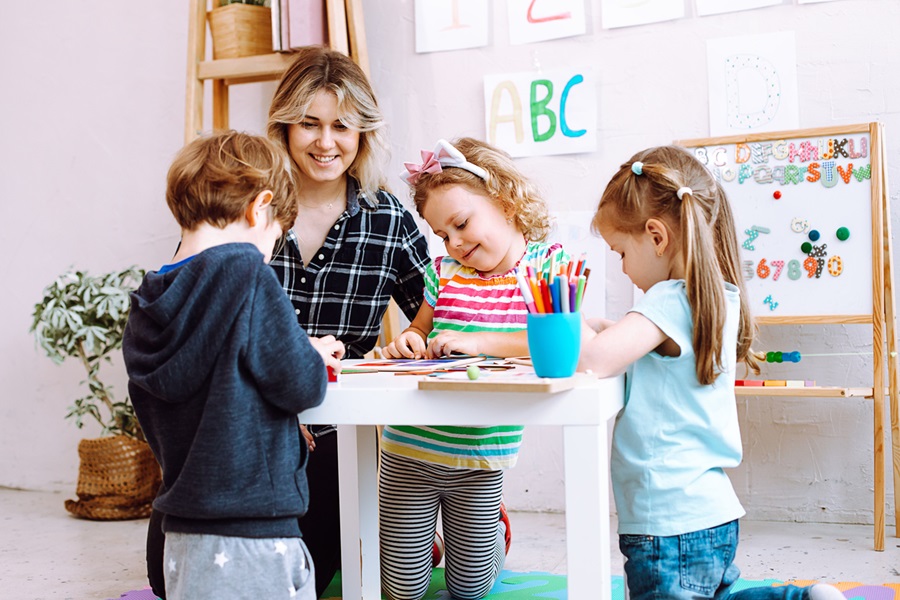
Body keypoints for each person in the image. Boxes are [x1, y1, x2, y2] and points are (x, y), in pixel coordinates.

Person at [577, 145, 846, 600]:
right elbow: (634, 341)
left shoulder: (665, 301)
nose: (621, 267)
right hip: (711, 513)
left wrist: (570, 326)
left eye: (620, 252)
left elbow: (594, 360)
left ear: (657, 237)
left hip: (666, 521)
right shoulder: (717, 298)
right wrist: (604, 328)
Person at [123, 131, 346, 600]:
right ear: (258, 209)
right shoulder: (249, 275)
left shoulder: (149, 302)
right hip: (254, 531)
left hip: (181, 534)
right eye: (275, 239)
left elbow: (210, 371)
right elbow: (302, 386)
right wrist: (311, 354)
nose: (270, 252)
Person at [266, 46, 433, 597]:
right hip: (247, 427)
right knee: (168, 575)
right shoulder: (250, 207)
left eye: (341, 126)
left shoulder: (386, 217)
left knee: (303, 579)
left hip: (336, 436)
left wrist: (415, 337)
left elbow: (439, 305)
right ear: (284, 127)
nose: (324, 142)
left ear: (362, 132)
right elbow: (199, 310)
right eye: (308, 124)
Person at [379, 137, 569, 600]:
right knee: (401, 590)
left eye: (462, 224)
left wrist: (480, 342)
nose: (455, 243)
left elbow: (554, 344)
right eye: (443, 234)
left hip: (480, 459)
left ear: (505, 200)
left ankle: (491, 532)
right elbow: (419, 332)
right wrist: (409, 341)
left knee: (471, 591)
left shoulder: (546, 267)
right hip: (410, 448)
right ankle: (427, 545)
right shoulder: (442, 273)